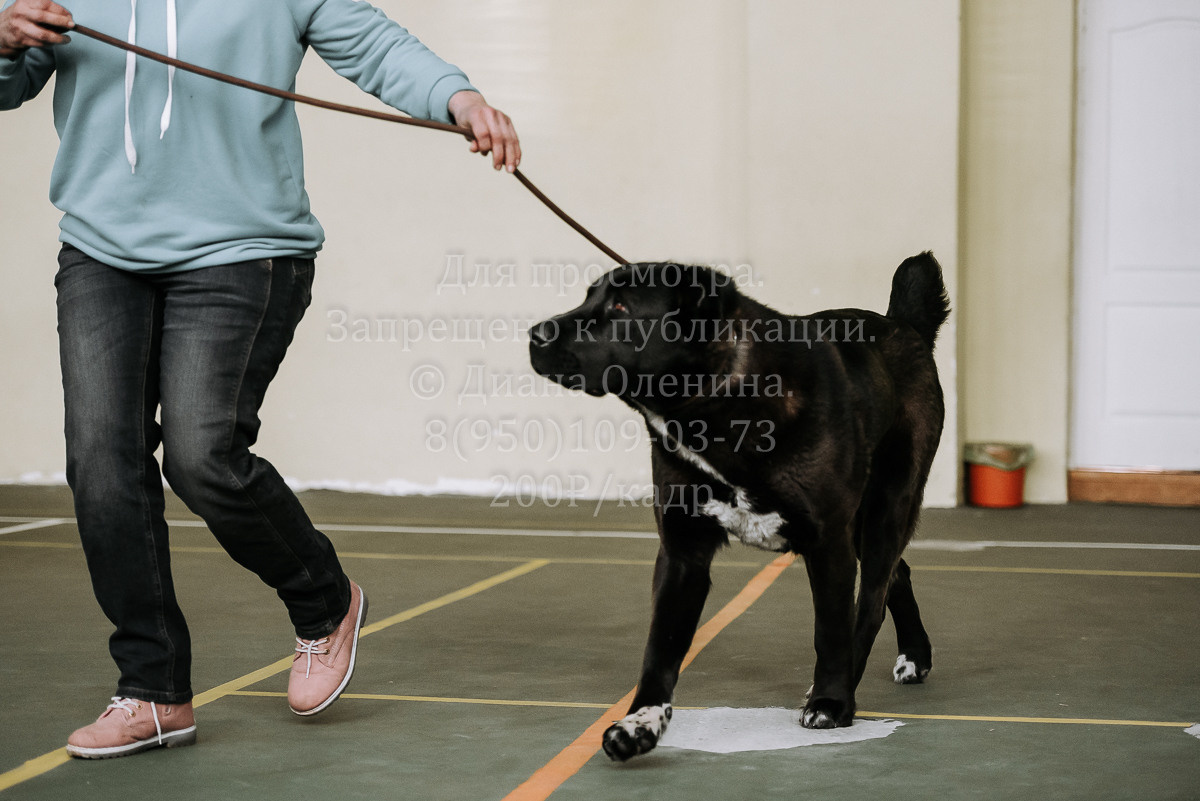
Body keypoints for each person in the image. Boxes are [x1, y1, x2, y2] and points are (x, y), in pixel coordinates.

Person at [0, 0, 520, 759]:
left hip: (242, 248)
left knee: (203, 454)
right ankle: (152, 690)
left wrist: (458, 97)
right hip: (101, 250)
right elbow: (12, 82)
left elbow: (373, 43)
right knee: (101, 465)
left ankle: (325, 603)